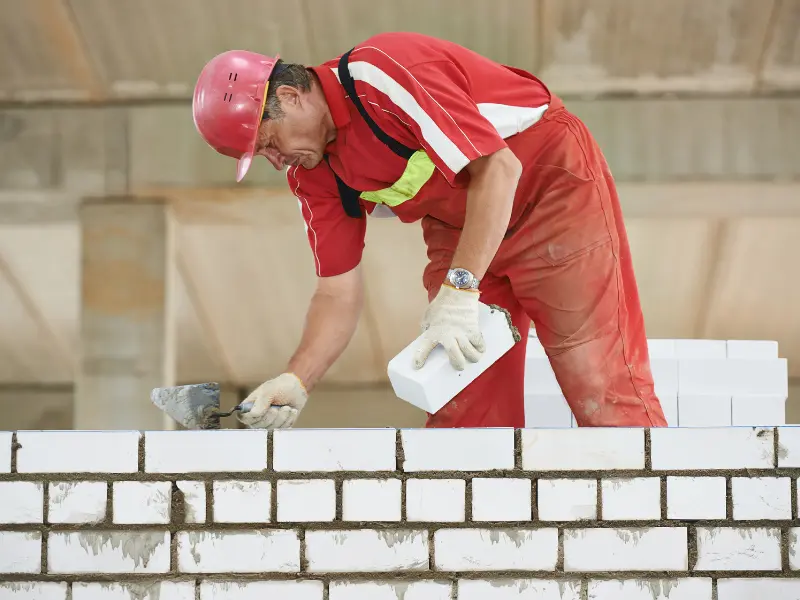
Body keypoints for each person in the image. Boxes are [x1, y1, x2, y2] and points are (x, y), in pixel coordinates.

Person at [191, 32, 668, 429]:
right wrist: (297, 380)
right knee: (461, 405)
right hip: (462, 230)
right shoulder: (313, 174)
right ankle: (479, 539)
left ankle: (654, 529)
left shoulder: (378, 76)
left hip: (548, 190)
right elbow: (337, 292)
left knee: (597, 384)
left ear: (291, 97)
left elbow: (498, 169)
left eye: (268, 145)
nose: (275, 163)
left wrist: (460, 288)